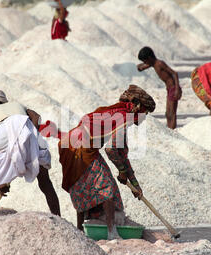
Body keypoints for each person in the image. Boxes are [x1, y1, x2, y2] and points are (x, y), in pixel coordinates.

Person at [39, 85, 156, 239]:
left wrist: (135, 184)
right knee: (106, 186)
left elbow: (122, 153)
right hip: (82, 147)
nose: (144, 117)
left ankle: (81, 232)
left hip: (70, 145)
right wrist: (121, 171)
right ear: (138, 107)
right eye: (145, 113)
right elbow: (112, 150)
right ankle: (111, 232)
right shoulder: (123, 117)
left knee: (81, 186)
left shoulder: (115, 112)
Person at [0, 90, 61, 232]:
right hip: (30, 129)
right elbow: (37, 117)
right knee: (44, 180)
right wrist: (31, 137)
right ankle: (59, 221)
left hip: (4, 130)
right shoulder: (17, 105)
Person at [137, 46, 182, 130]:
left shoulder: (160, 63)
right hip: (169, 89)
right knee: (168, 113)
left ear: (149, 58)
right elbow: (141, 68)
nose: (145, 63)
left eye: (145, 61)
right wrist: (140, 66)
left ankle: (173, 130)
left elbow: (174, 73)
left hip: (173, 89)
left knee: (172, 113)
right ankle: (170, 129)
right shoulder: (153, 64)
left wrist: (177, 89)